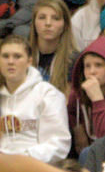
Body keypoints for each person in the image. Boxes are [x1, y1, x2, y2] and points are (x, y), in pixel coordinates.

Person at [0, 34, 70, 163]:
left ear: (29, 61)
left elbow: (58, 144)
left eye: (17, 56)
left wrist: (19, 160)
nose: (10, 61)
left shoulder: (47, 94)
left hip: (33, 168)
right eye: (5, 56)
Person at [67, 36, 105, 154]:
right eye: (87, 66)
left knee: (87, 153)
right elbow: (71, 113)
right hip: (88, 155)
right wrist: (77, 127)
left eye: (98, 65)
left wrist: (97, 100)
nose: (92, 71)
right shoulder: (77, 94)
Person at [28, 0, 77, 96]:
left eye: (55, 18)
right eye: (42, 18)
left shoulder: (74, 60)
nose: (48, 23)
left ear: (65, 24)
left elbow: (66, 103)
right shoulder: (22, 56)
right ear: (34, 23)